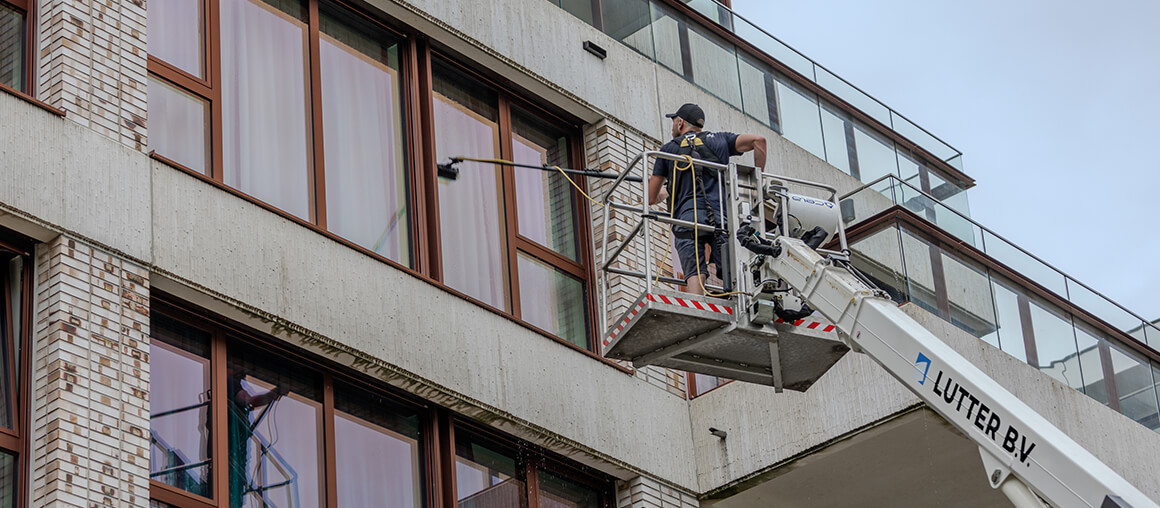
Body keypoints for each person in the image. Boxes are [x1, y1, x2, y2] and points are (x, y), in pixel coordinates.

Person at [648, 103, 767, 296]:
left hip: (687, 219)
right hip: (720, 219)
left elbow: (651, 198)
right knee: (731, 269)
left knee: (694, 271)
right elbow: (759, 141)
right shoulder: (720, 140)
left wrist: (664, 190)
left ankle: (698, 304)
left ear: (680, 123)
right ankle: (739, 300)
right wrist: (758, 183)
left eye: (673, 122)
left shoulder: (667, 150)